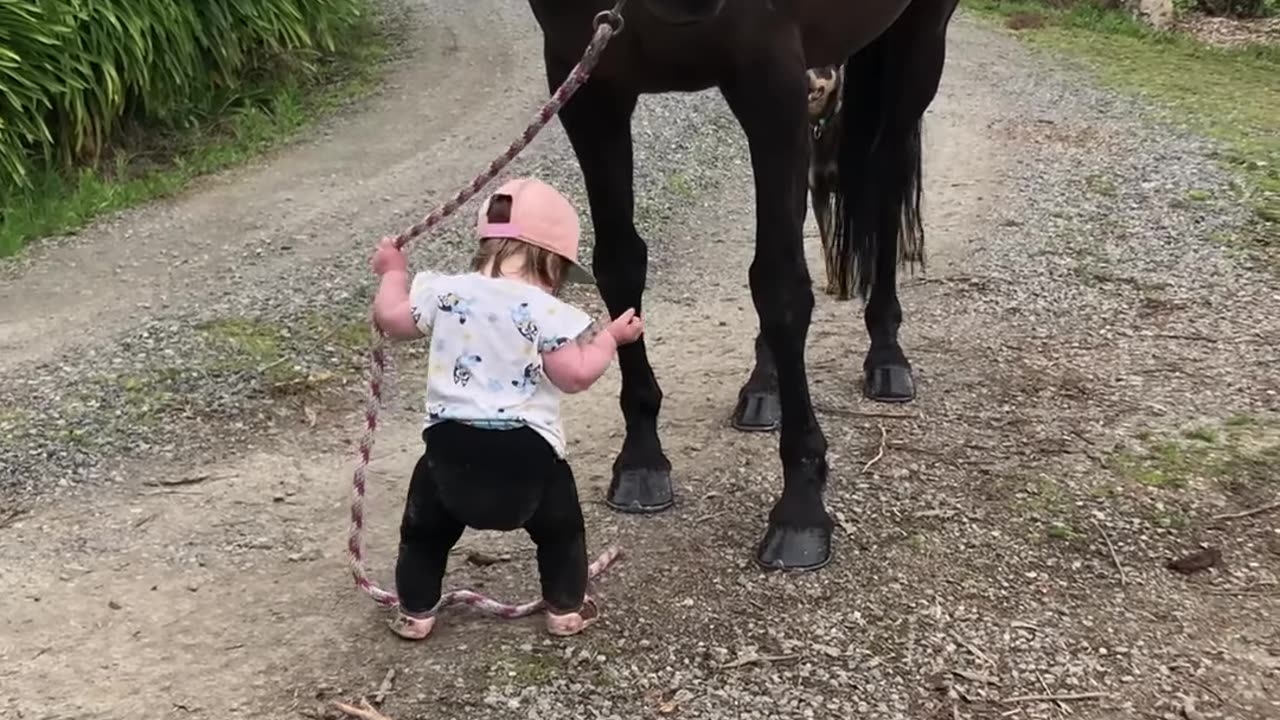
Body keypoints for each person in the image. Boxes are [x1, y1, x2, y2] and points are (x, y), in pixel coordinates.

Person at [369, 177, 644, 639]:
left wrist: (394, 272)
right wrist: (610, 340)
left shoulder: (445, 293)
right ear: (553, 262)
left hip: (448, 449)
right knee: (560, 528)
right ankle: (565, 608)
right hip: (526, 455)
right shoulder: (547, 311)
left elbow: (392, 320)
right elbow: (574, 375)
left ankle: (415, 611)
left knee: (424, 532)